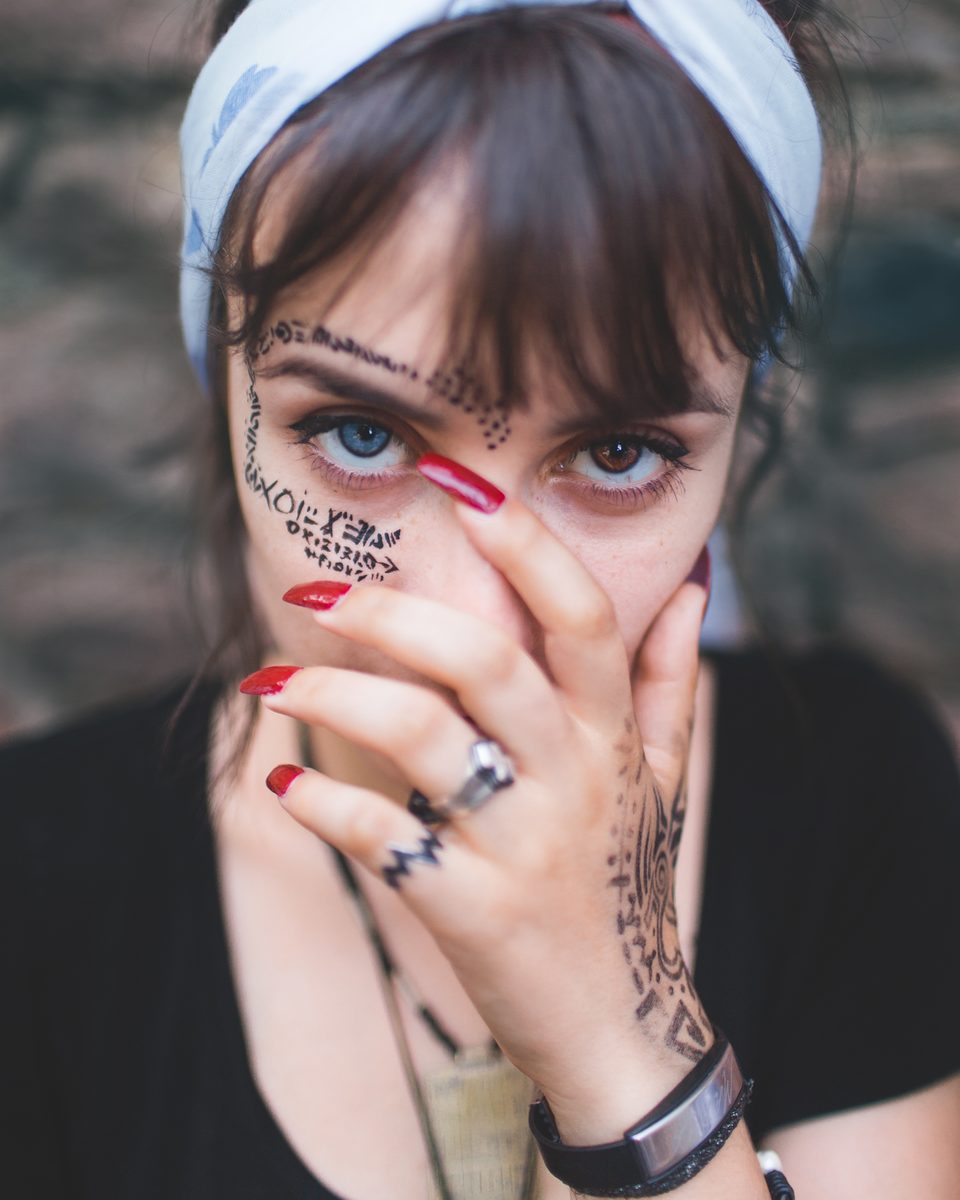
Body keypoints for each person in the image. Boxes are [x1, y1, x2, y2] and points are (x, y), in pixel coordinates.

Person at [2, 2, 959, 1198]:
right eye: (359, 432)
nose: (475, 615)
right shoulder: (35, 883)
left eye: (616, 453)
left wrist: (622, 1043)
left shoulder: (852, 803)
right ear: (225, 376)